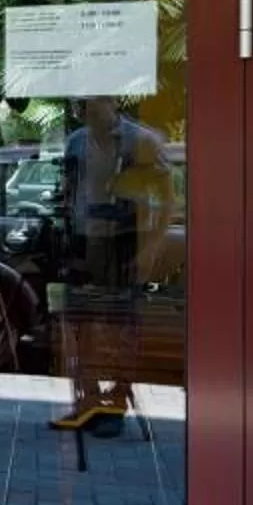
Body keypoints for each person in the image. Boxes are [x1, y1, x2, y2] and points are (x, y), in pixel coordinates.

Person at [49, 92, 175, 436]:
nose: (87, 108)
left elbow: (167, 199)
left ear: (113, 102)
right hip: (84, 242)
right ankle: (89, 399)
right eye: (81, 103)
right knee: (81, 323)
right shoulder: (76, 142)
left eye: (94, 101)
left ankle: (116, 401)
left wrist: (150, 247)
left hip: (125, 242)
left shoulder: (141, 141)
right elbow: (68, 192)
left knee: (121, 325)